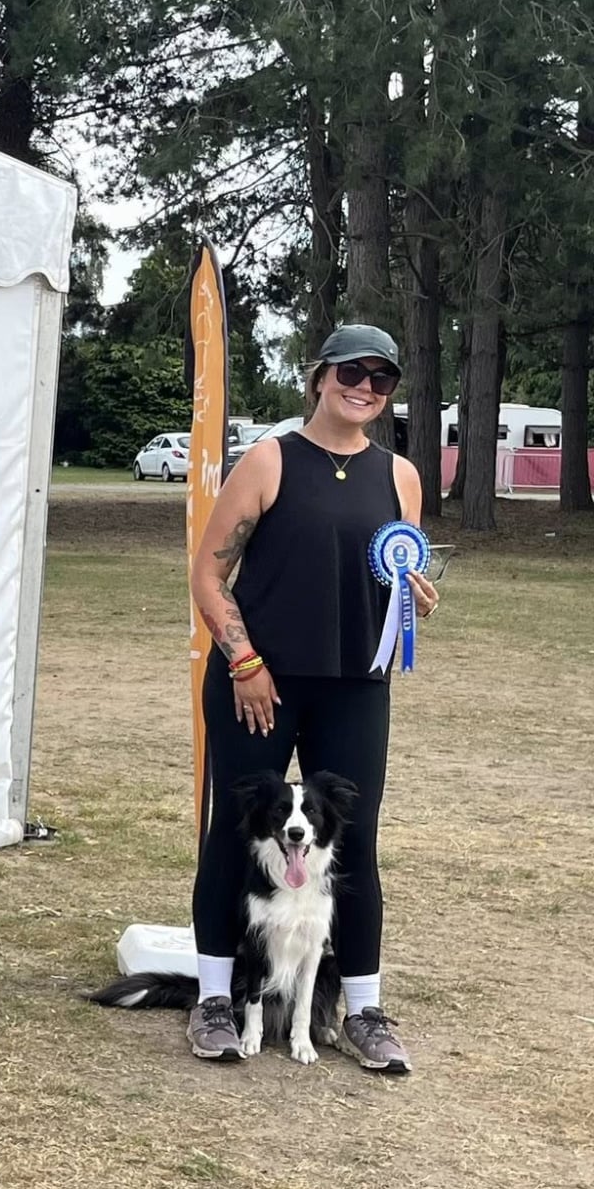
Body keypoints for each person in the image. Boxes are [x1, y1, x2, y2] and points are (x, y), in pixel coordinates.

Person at [188, 323, 439, 1073]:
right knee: (237, 835)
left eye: (381, 378)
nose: (364, 387)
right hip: (259, 682)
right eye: (351, 372)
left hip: (355, 686)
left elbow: (391, 574)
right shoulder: (270, 459)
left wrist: (413, 599)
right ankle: (214, 1001)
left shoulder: (401, 476)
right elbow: (208, 575)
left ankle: (363, 1010)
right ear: (319, 376)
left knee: (354, 842)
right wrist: (244, 660)